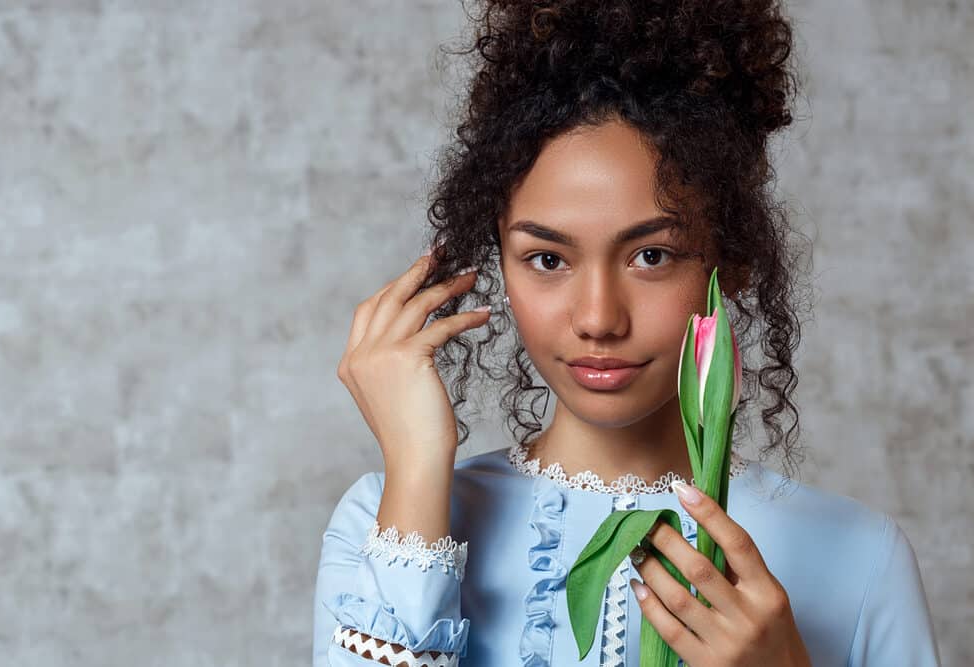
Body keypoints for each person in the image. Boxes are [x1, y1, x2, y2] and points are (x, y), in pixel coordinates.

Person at [313, 1, 941, 665]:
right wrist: (415, 461)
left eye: (652, 255)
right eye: (547, 259)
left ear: (731, 262)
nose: (597, 318)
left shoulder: (860, 557)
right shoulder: (384, 526)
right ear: (500, 260)